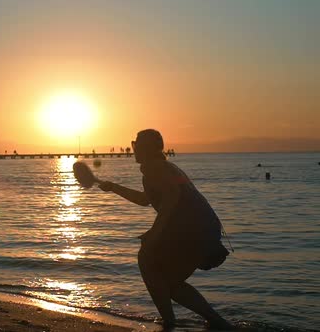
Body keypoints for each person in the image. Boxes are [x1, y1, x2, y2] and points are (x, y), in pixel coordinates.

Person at [98, 129, 233, 330]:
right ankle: (213, 322)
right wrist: (113, 187)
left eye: (137, 146)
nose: (134, 150)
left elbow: (171, 197)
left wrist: (155, 232)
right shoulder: (162, 167)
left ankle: (172, 322)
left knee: (148, 261)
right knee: (168, 280)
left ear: (145, 148)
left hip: (193, 230)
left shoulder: (155, 168)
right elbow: (146, 200)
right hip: (202, 228)